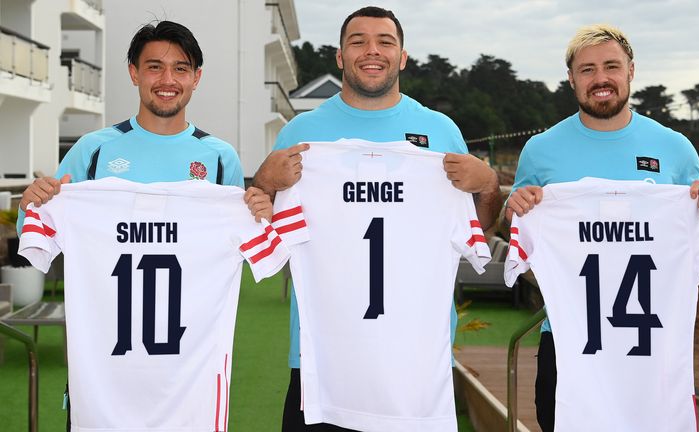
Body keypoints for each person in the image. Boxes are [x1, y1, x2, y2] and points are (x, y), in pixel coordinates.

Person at [252, 6, 502, 431]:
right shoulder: (301, 133)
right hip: (321, 357)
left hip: (416, 358)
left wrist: (489, 186)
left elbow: (481, 229)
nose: (372, 51)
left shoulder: (440, 132)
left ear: (402, 56)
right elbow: (261, 222)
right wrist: (264, 183)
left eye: (385, 42)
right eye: (358, 41)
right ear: (339, 56)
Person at [16, 20, 271, 430]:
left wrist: (260, 211)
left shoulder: (221, 157)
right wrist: (35, 202)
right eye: (154, 67)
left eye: (181, 68)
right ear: (134, 72)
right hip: (103, 378)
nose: (167, 80)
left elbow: (235, 251)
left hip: (190, 377)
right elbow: (39, 230)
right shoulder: (94, 149)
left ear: (196, 78)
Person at [504, 24, 699, 432]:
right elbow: (518, 225)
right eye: (587, 70)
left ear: (630, 71)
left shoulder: (674, 148)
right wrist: (514, 207)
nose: (601, 78)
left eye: (611, 66)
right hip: (571, 338)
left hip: (652, 343)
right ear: (571, 79)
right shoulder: (541, 150)